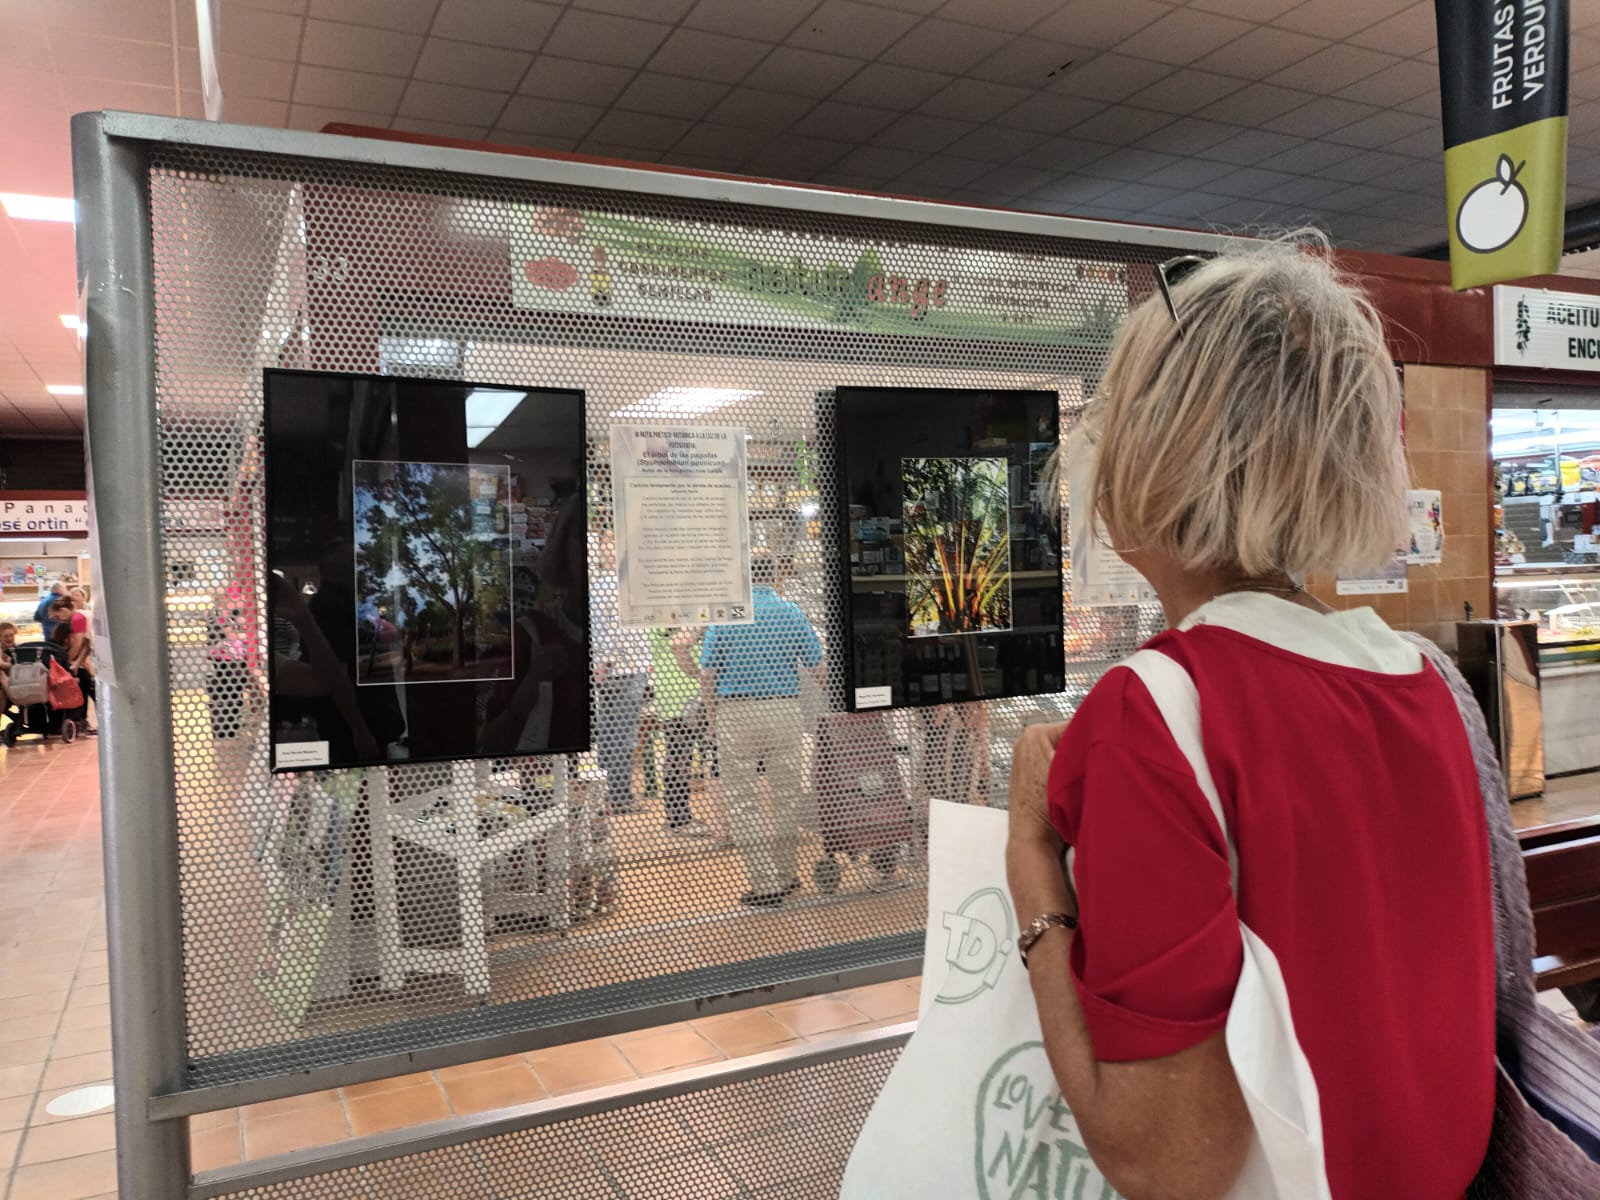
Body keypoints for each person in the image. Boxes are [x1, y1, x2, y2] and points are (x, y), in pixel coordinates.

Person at [1005, 242, 1494, 1199]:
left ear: (1157, 452)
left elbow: (1168, 1162)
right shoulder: (1421, 679)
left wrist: (1030, 856)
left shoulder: (1154, 713)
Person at [700, 554, 824, 907]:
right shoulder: (791, 612)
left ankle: (765, 884)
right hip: (784, 708)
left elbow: (708, 676)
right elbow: (818, 667)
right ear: (775, 577)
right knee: (786, 796)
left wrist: (712, 721)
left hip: (736, 712)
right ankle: (786, 875)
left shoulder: (727, 614)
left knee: (742, 802)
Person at [647, 626, 710, 837]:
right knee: (679, 759)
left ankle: (678, 816)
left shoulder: (660, 624)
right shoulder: (675, 624)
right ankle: (678, 819)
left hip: (676, 697)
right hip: (685, 696)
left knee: (678, 758)